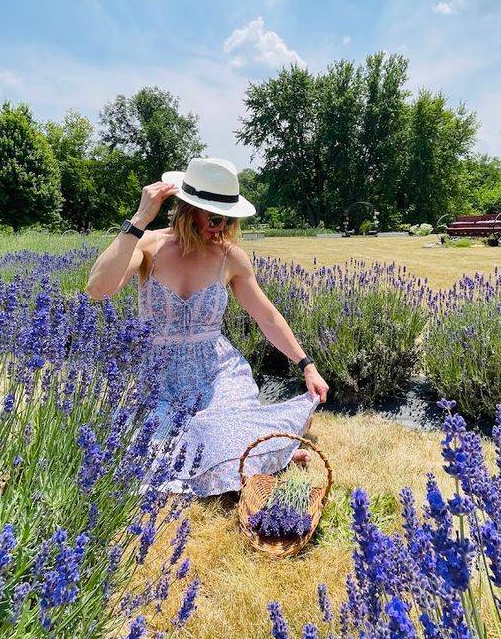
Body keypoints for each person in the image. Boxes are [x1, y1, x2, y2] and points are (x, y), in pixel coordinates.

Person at [86, 156, 329, 496]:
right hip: (158, 375)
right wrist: (139, 220)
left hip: (215, 373)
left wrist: (307, 366)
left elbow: (266, 315)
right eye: (215, 217)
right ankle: (259, 456)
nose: (222, 226)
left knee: (213, 428)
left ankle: (255, 453)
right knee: (146, 449)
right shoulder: (149, 246)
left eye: (228, 219)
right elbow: (98, 289)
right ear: (188, 209)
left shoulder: (230, 257)